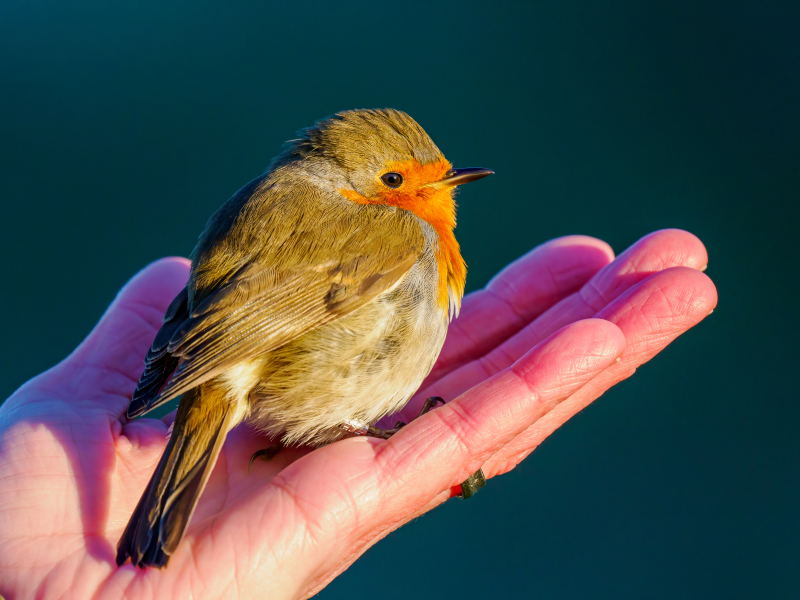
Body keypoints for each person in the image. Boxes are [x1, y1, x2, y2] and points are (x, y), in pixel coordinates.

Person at [0, 230, 716, 599]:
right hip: (258, 351)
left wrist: (180, 366)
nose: (435, 193)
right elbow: (276, 310)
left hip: (222, 351)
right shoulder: (394, 235)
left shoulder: (264, 205)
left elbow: (210, 300)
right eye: (403, 181)